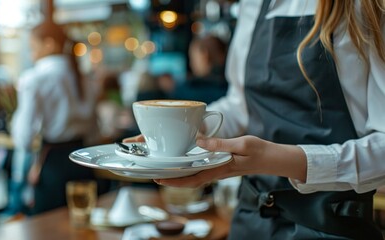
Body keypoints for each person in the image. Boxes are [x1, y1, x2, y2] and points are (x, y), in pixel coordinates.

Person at [127, 0, 385, 239]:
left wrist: (280, 160)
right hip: (251, 219)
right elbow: (241, 105)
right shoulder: (254, 4)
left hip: (330, 224)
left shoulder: (363, 6)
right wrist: (182, 130)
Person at [10, 20, 102, 215]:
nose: (31, 54)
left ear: (49, 44)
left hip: (53, 164)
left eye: (32, 48)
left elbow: (24, 138)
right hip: (85, 160)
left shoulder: (34, 78)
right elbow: (96, 131)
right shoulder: (83, 76)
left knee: (48, 228)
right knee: (81, 225)